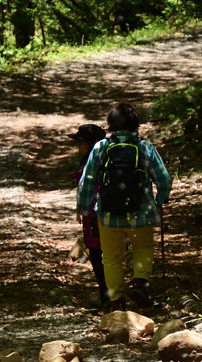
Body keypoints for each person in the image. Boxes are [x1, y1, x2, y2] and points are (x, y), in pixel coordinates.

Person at [76, 103, 172, 310]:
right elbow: (163, 179)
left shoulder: (101, 148)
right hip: (141, 212)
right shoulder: (145, 147)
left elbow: (87, 182)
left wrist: (85, 208)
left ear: (110, 125)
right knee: (143, 248)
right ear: (136, 124)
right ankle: (139, 282)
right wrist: (161, 199)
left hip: (108, 213)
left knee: (110, 257)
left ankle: (116, 300)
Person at [68, 123, 108, 309]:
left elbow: (87, 188)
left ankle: (107, 297)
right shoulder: (104, 158)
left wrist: (83, 208)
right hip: (102, 212)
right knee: (105, 254)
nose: (78, 147)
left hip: (94, 213)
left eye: (80, 143)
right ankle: (109, 296)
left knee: (98, 255)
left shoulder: (93, 161)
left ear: (90, 144)